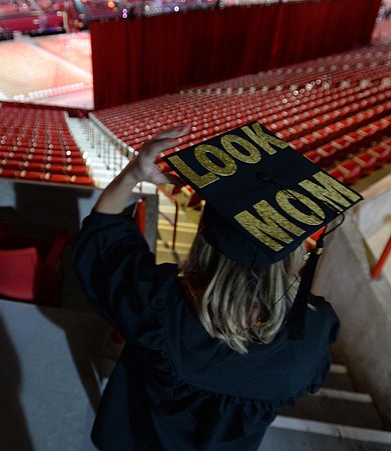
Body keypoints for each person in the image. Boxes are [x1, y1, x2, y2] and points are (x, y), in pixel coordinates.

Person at [73, 122, 361, 450]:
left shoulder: (158, 306)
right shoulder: (312, 328)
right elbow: (309, 379)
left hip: (141, 440)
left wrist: (132, 174)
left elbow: (104, 244)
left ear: (204, 241)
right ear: (296, 253)